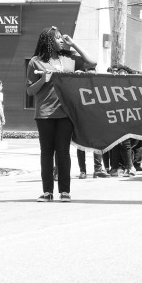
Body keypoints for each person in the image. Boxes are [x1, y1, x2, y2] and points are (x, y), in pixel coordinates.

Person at [26, 26, 96, 202]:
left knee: (63, 152)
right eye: (57, 38)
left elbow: (92, 62)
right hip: (44, 114)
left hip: (66, 113)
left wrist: (74, 44)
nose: (61, 40)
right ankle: (47, 192)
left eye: (62, 38)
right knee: (47, 153)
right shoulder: (35, 62)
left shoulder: (69, 58)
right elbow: (30, 91)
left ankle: (65, 191)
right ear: (49, 41)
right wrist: (43, 80)